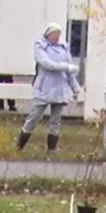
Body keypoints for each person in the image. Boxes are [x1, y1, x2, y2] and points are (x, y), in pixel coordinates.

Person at [16, 23, 82, 156]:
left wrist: (76, 89)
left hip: (59, 90)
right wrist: (66, 67)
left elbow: (68, 74)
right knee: (33, 117)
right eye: (54, 34)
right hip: (44, 88)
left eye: (59, 34)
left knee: (56, 121)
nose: (57, 37)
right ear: (48, 35)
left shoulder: (63, 48)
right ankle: (19, 145)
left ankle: (51, 149)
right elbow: (46, 64)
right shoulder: (41, 47)